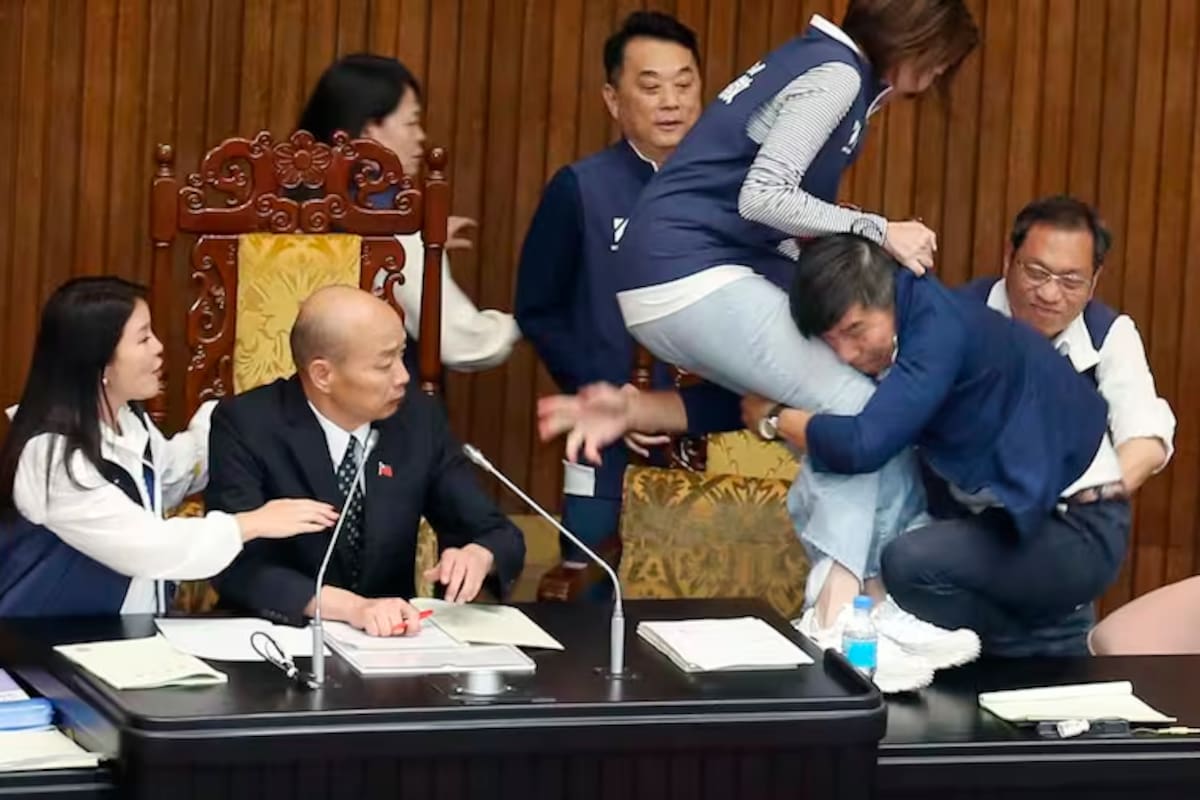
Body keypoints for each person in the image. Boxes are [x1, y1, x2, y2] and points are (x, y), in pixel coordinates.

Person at [778, 234, 1130, 656]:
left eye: (855, 331)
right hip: (1017, 522)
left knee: (908, 564)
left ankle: (1044, 632)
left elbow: (863, 445)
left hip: (1080, 527)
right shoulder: (912, 323)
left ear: (888, 296)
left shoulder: (937, 329)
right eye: (832, 342)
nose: (848, 354)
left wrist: (782, 420)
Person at [0, 277, 337, 617]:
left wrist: (234, 418)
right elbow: (147, 546)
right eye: (143, 338)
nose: (159, 347)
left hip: (123, 639)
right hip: (44, 645)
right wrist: (252, 523)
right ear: (100, 360)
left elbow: (173, 476)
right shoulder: (53, 455)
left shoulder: (129, 422)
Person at [207, 286, 525, 636]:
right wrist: (351, 608)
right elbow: (236, 565)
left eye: (402, 356)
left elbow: (494, 530)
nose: (403, 376)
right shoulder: (247, 424)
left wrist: (480, 553)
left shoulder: (417, 420)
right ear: (322, 375)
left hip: (392, 644)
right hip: (278, 639)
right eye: (385, 364)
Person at [514, 11, 702, 568]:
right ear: (613, 99)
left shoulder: (740, 190)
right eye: (650, 86)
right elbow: (538, 309)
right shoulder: (580, 189)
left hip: (716, 430)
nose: (670, 100)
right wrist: (612, 394)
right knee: (591, 586)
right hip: (612, 433)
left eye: (684, 83)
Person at [298, 53, 520, 374]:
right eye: (412, 122)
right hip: (367, 411)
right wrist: (527, 324)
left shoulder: (285, 201)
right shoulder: (390, 221)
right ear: (370, 129)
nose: (421, 137)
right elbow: (461, 343)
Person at [961, 195, 1175, 494]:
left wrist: (1095, 493)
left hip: (1060, 516)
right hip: (951, 516)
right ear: (1008, 258)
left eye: (1070, 281)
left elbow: (1147, 438)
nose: (1049, 293)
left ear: (1094, 281)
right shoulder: (956, 317)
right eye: (1036, 273)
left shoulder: (1110, 334)